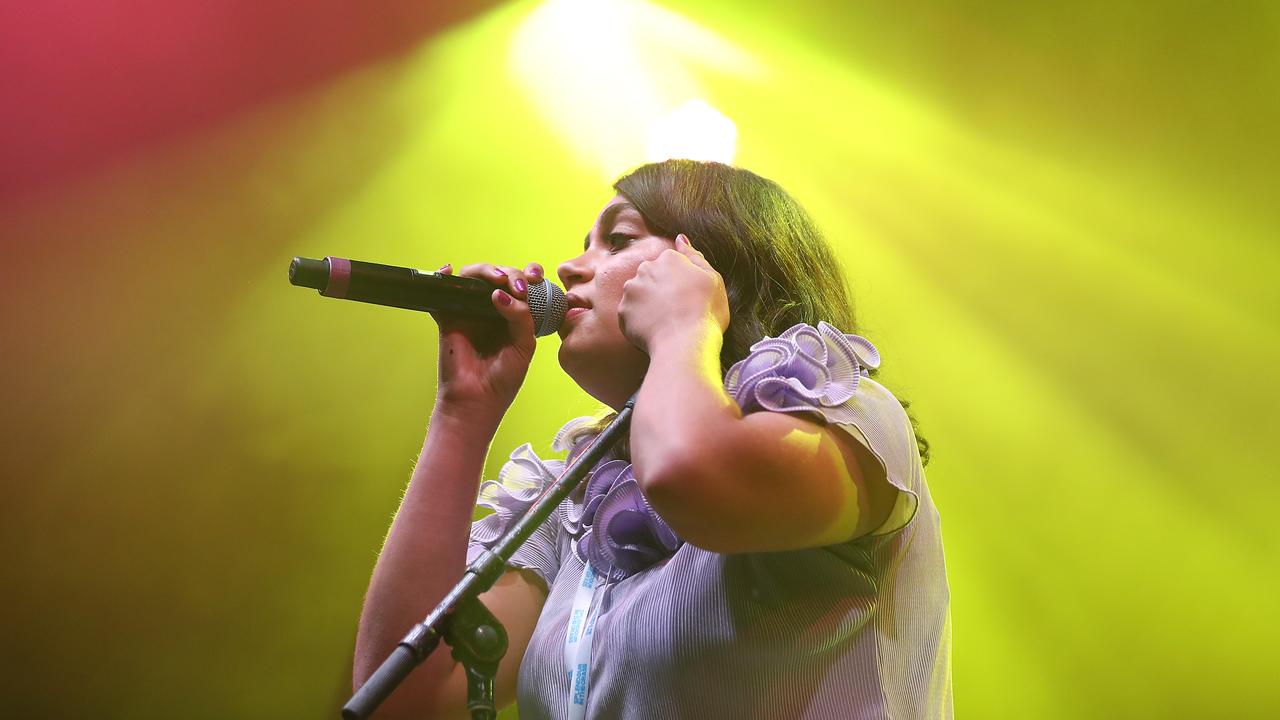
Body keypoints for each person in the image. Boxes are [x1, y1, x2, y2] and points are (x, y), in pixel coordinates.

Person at [353, 160, 952, 719]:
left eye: (618, 240)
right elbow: (404, 696)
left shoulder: (850, 417)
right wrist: (464, 412)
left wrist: (685, 323)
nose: (568, 268)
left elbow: (694, 480)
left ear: (713, 271)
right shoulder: (576, 501)